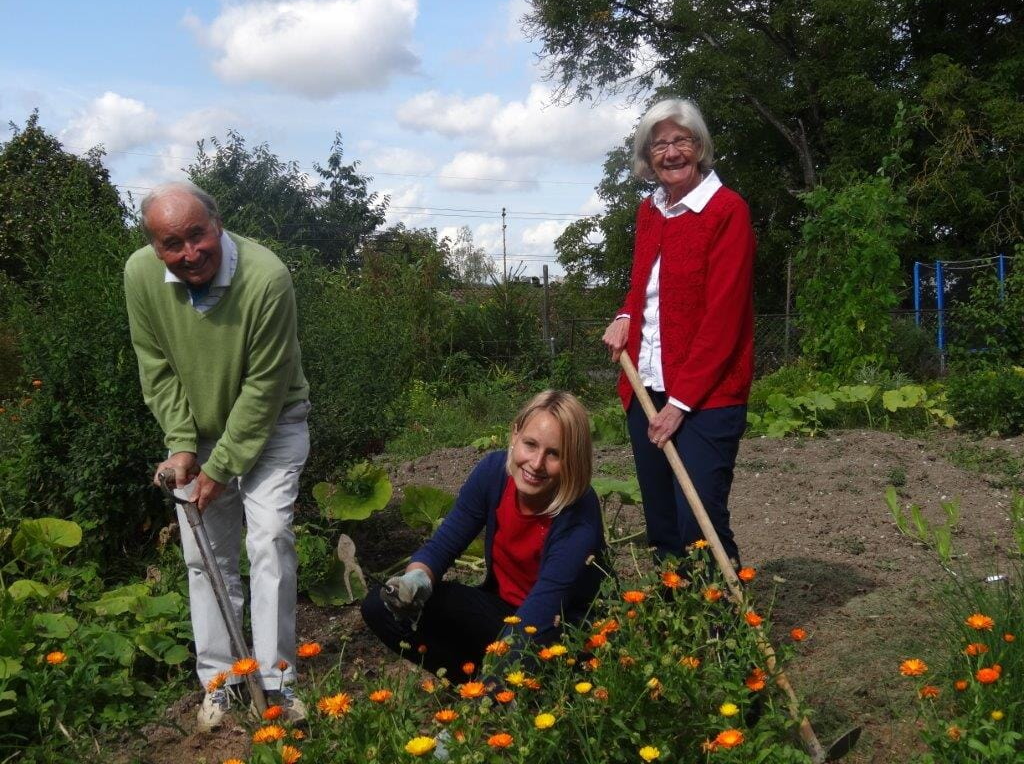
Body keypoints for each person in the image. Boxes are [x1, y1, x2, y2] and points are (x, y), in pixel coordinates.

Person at [124, 181, 311, 731]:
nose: (189, 253)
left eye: (197, 235)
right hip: (200, 435)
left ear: (218, 223)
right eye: (171, 244)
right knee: (204, 556)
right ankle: (221, 683)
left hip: (273, 426)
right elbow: (154, 365)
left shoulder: (266, 277)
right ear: (155, 248)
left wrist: (218, 469)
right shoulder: (140, 276)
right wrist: (183, 445)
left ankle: (276, 684)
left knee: (270, 538)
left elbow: (265, 386)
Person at [602, 98, 755, 569]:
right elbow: (642, 284)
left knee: (699, 522)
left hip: (706, 398)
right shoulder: (651, 211)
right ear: (647, 158)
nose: (670, 153)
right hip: (646, 384)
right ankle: (675, 630)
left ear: (700, 146)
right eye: (659, 144)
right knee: (664, 523)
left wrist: (680, 403)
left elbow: (723, 320)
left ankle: (723, 631)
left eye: (681, 141)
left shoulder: (726, 211)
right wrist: (626, 314)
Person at [361, 390, 605, 678]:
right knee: (380, 606)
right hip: (503, 613)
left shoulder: (579, 515)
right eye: (530, 445)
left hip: (558, 632)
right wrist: (416, 580)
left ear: (573, 460)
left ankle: (500, 694)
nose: (536, 464)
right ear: (515, 436)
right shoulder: (494, 474)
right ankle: (475, 683)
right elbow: (442, 546)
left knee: (528, 648)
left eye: (554, 454)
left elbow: (542, 611)